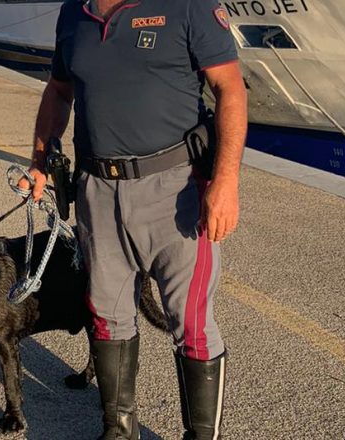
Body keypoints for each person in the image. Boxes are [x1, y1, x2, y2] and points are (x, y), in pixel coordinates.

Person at [22, 0, 247, 438]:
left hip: (176, 190)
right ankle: (119, 429)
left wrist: (226, 181)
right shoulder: (73, 14)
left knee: (192, 323)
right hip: (96, 190)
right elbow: (59, 90)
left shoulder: (189, 7)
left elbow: (231, 89)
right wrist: (39, 159)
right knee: (107, 314)